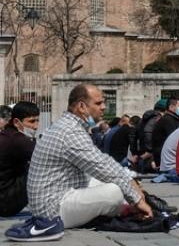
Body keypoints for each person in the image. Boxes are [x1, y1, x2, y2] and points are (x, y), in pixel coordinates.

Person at [8, 84, 152, 242]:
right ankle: (130, 207)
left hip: (52, 197)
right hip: (53, 209)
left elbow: (101, 164)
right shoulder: (70, 131)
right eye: (98, 103)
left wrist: (129, 183)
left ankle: (128, 204)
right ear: (82, 107)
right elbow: (102, 166)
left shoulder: (68, 125)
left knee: (114, 182)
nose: (104, 107)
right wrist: (135, 197)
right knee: (115, 191)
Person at [0, 101, 39, 220]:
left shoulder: (6, 136)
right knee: (40, 169)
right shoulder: (17, 139)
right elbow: (44, 158)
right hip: (4, 203)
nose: (36, 126)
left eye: (37, 121)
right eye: (31, 121)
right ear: (17, 122)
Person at [150, 96, 179, 170]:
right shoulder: (168, 121)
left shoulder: (170, 119)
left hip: (164, 161)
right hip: (167, 163)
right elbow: (176, 142)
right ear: (171, 107)